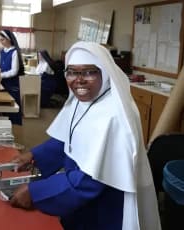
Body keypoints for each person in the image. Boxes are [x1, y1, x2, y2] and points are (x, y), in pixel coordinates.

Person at [9, 41, 161, 230]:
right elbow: (68, 138)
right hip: (76, 195)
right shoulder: (81, 101)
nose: (78, 80)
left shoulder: (113, 115)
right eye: (71, 72)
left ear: (104, 73)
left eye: (89, 72)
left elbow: (88, 182)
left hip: (103, 205)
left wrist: (35, 192)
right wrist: (34, 155)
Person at [0, 29, 25, 125]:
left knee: (12, 108)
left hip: (12, 85)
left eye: (2, 40)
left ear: (9, 39)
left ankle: (15, 128)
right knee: (4, 107)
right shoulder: (2, 52)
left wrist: (0, 75)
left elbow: (14, 71)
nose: (1, 42)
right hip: (3, 83)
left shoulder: (14, 52)